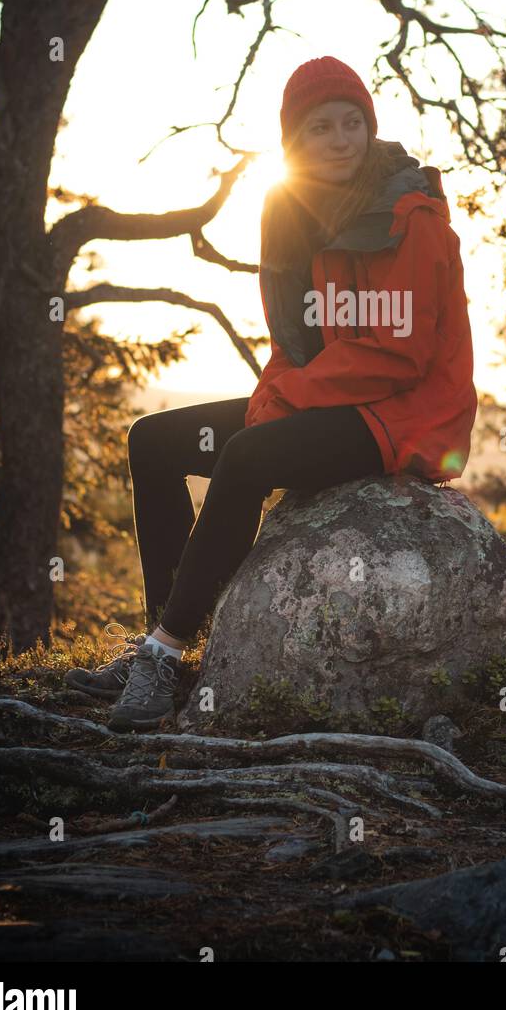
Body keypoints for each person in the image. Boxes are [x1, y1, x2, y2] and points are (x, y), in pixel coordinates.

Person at [65, 56, 477, 731]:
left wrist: (286, 402)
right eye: (322, 127)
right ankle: (164, 640)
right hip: (343, 395)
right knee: (155, 442)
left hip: (408, 415)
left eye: (354, 123)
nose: (342, 139)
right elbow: (296, 340)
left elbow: (400, 356)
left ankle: (165, 652)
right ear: (294, 141)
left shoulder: (407, 214)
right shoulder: (301, 212)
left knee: (249, 456)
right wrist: (276, 394)